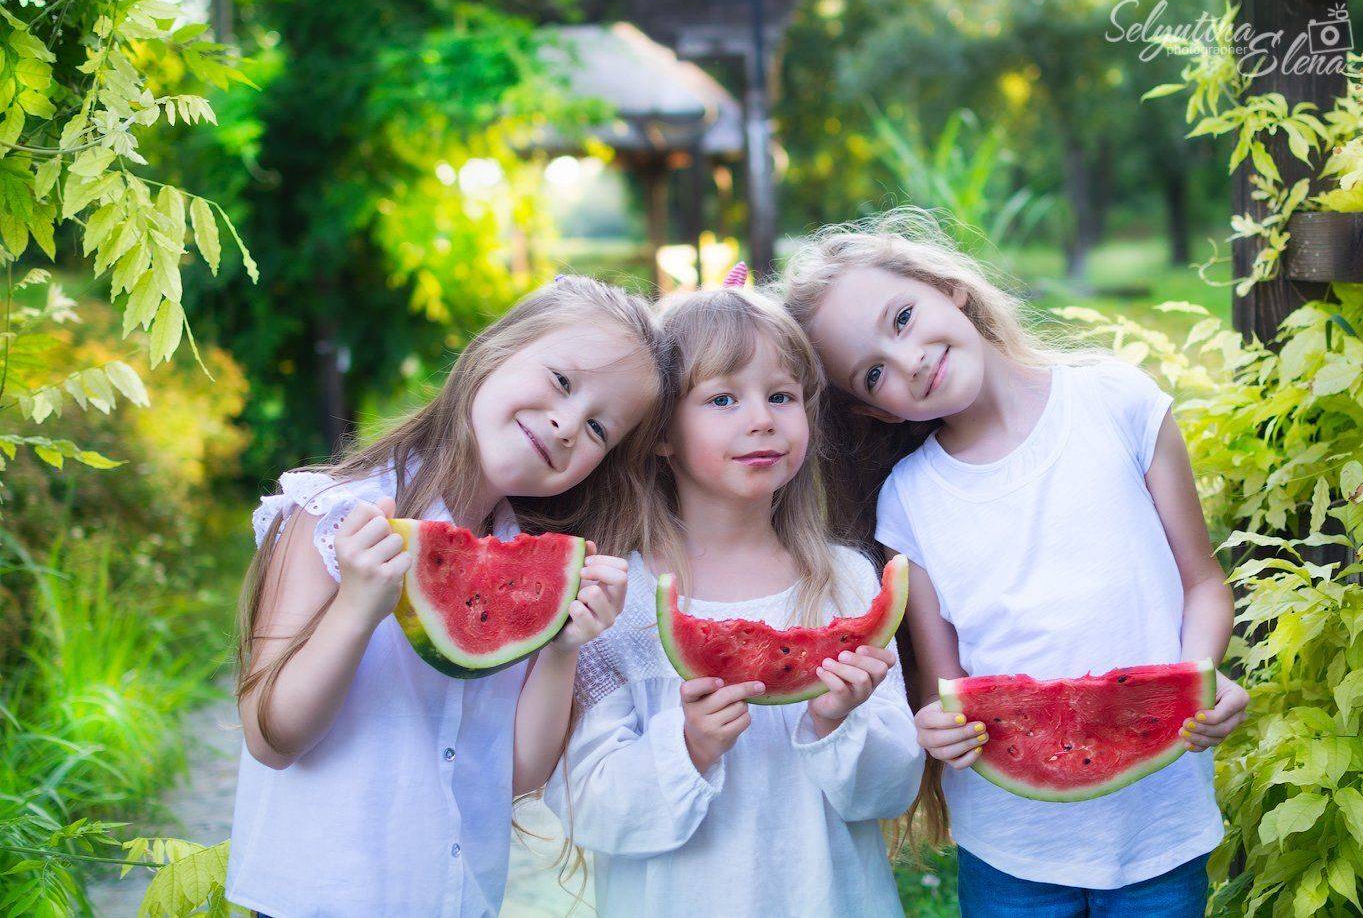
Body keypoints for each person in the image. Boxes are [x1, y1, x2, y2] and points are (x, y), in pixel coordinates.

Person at [780, 209, 1250, 915]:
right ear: (874, 411)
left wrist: (1196, 680)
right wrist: (935, 725)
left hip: (1160, 823)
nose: (908, 360)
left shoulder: (1115, 400)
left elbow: (1204, 584)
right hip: (1011, 844)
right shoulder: (909, 499)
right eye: (874, 371)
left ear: (949, 286)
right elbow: (947, 689)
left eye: (902, 317)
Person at [226, 276, 667, 917]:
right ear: (494, 351)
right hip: (316, 901)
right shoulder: (334, 513)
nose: (567, 424)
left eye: (600, 428)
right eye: (562, 382)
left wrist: (565, 646)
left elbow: (519, 775)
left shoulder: (536, 562)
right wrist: (356, 608)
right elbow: (272, 739)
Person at [544, 285, 924, 917]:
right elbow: (585, 804)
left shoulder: (848, 583)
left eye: (782, 396)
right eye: (723, 398)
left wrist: (836, 722)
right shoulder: (618, 600)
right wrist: (686, 746)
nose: (762, 419)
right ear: (661, 434)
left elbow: (891, 792)